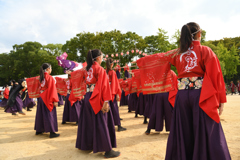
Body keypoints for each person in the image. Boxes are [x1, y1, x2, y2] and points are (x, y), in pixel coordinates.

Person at [163, 22, 231, 159]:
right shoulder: (205, 51)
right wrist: (221, 99)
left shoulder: (176, 54)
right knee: (205, 130)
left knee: (184, 132)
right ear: (199, 34)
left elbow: (159, 61)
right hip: (200, 96)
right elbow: (215, 76)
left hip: (181, 97)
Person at [75, 49, 120, 158]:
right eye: (102, 56)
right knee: (101, 123)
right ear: (98, 58)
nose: (103, 58)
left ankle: (87, 145)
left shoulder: (86, 69)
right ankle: (107, 150)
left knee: (88, 123)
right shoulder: (99, 69)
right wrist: (106, 101)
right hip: (97, 97)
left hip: (87, 97)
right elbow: (104, 86)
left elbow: (79, 81)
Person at [34, 63, 60, 138]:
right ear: (48, 69)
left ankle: (39, 130)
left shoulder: (40, 78)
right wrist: (55, 100)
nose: (51, 70)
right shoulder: (49, 77)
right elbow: (52, 89)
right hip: (47, 97)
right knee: (50, 114)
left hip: (41, 97)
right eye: (51, 68)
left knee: (40, 113)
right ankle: (52, 132)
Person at [106, 58, 126, 132]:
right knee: (115, 109)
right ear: (112, 64)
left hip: (106, 93)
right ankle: (119, 126)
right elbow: (115, 84)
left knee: (108, 110)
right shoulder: (112, 72)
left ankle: (108, 126)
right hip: (112, 93)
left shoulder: (104, 72)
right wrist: (117, 94)